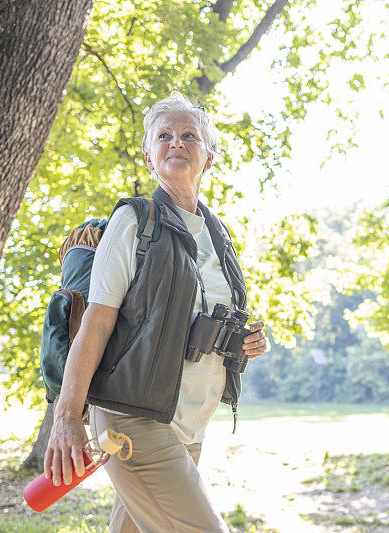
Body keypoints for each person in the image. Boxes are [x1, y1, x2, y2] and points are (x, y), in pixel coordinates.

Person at [44, 92, 267, 532]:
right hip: (134, 421)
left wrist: (243, 343)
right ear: (149, 157)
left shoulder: (217, 235)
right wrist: (66, 418)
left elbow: (197, 322)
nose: (176, 143)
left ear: (209, 156)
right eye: (164, 136)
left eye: (189, 136)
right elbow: (97, 321)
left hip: (188, 424)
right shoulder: (135, 222)